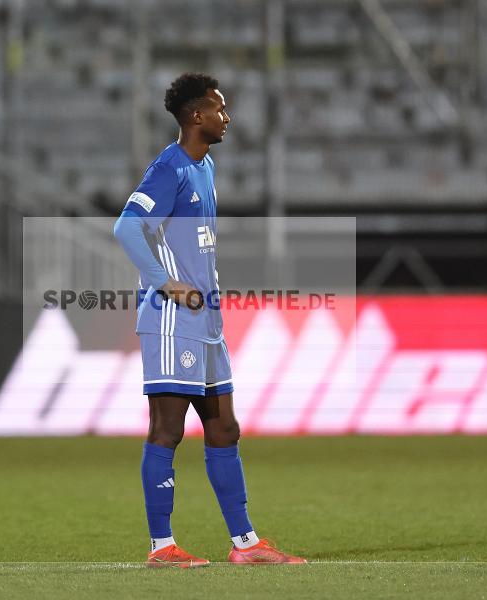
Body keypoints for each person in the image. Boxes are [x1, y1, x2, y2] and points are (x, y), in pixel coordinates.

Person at [113, 73, 306, 567]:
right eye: (220, 109)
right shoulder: (169, 168)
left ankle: (246, 544)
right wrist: (166, 282)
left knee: (224, 429)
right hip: (172, 319)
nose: (227, 117)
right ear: (196, 116)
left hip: (207, 321)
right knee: (167, 430)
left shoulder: (205, 166)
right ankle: (161, 547)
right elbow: (127, 228)